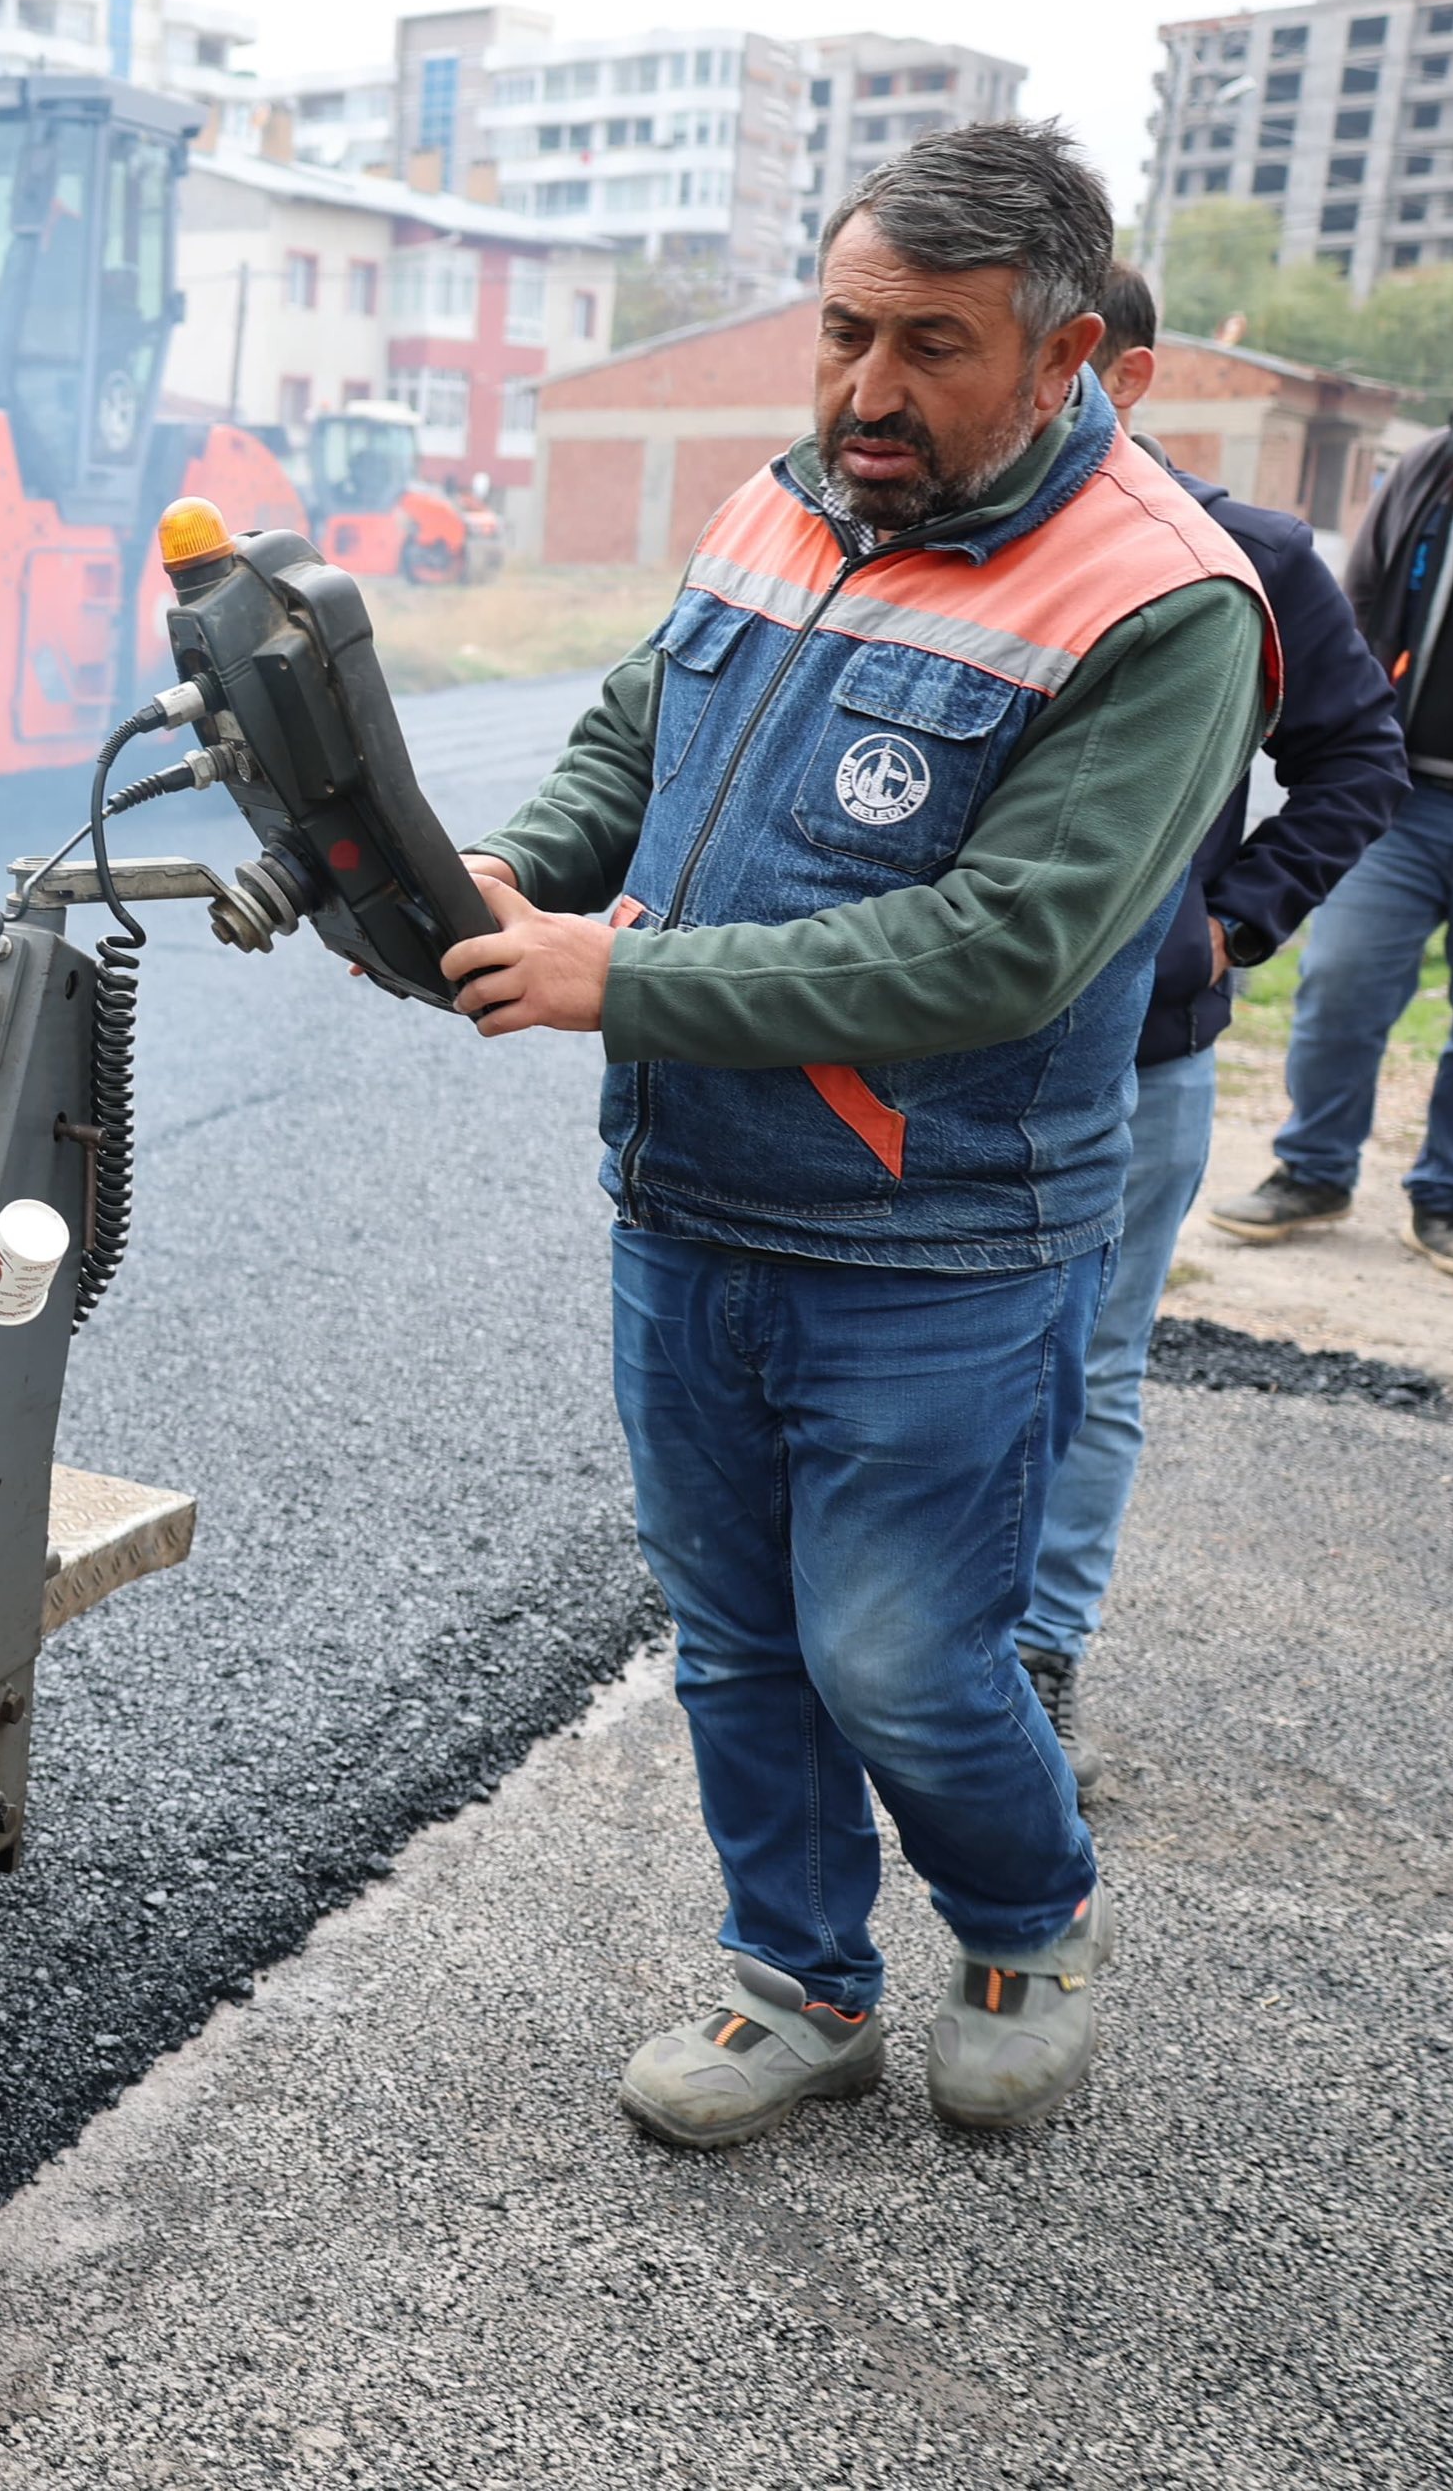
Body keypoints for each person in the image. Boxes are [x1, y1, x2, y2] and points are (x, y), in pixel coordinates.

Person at [442, 123, 1275, 2149]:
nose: (864, 391)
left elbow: (997, 952)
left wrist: (611, 986)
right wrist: (499, 876)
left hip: (934, 1253)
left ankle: (1021, 1925)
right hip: (686, 1204)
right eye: (838, 333)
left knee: (898, 1659)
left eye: (929, 346)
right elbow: (636, 744)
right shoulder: (783, 499)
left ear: (1067, 351)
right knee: (731, 1646)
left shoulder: (1164, 612)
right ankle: (795, 1984)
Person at [1014, 273, 1403, 1786]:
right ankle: (895, 1651)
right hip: (924, 1048)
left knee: (1089, 1363)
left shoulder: (1242, 557)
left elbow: (1358, 758)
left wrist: (1224, 923)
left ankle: (1038, 1656)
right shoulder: (936, 549)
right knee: (912, 1355)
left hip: (1139, 1053)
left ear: (1126, 369)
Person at [1211, 387, 1453, 1274]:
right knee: (1339, 988)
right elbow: (1361, 600)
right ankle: (1313, 1170)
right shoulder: (1446, 464)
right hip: (1408, 798)